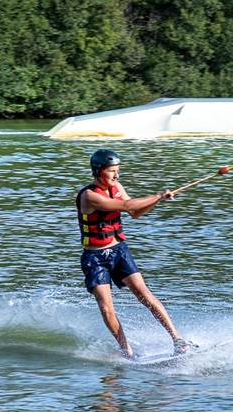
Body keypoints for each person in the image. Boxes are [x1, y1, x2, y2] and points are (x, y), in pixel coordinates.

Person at [76, 149, 195, 360]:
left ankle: (178, 340)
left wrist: (158, 200)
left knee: (144, 294)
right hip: (95, 258)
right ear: (99, 171)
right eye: (112, 171)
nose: (117, 176)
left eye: (118, 171)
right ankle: (127, 351)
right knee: (106, 308)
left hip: (119, 251)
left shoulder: (116, 187)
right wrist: (157, 194)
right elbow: (126, 205)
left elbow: (135, 213)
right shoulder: (89, 195)